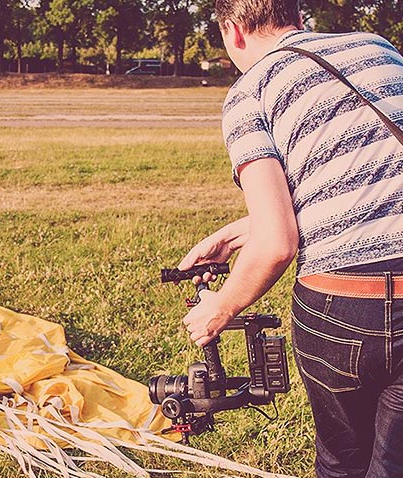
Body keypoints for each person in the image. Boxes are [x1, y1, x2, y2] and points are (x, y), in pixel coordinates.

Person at [177, 0, 403, 476]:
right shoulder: (377, 47)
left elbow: (278, 243)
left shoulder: (250, 91)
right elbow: (366, 182)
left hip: (344, 307)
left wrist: (220, 308)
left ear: (234, 32)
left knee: (342, 460)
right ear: (298, 17)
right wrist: (242, 231)